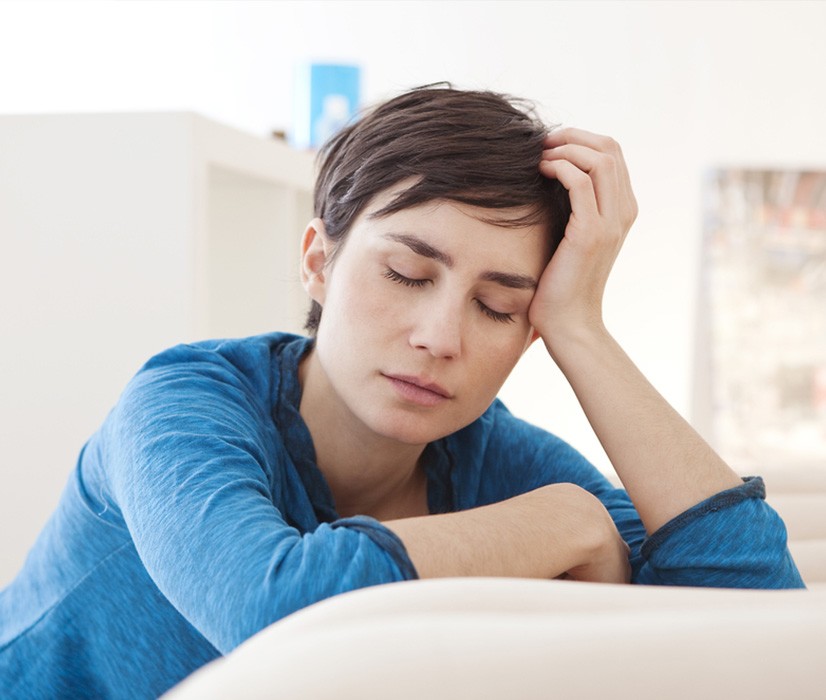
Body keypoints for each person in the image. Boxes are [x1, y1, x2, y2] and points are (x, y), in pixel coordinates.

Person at [0, 84, 804, 699]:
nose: (441, 337)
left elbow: (757, 613)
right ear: (318, 260)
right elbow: (273, 608)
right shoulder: (182, 403)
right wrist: (565, 522)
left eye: (499, 307)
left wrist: (582, 329)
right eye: (407, 273)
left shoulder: (491, 457)